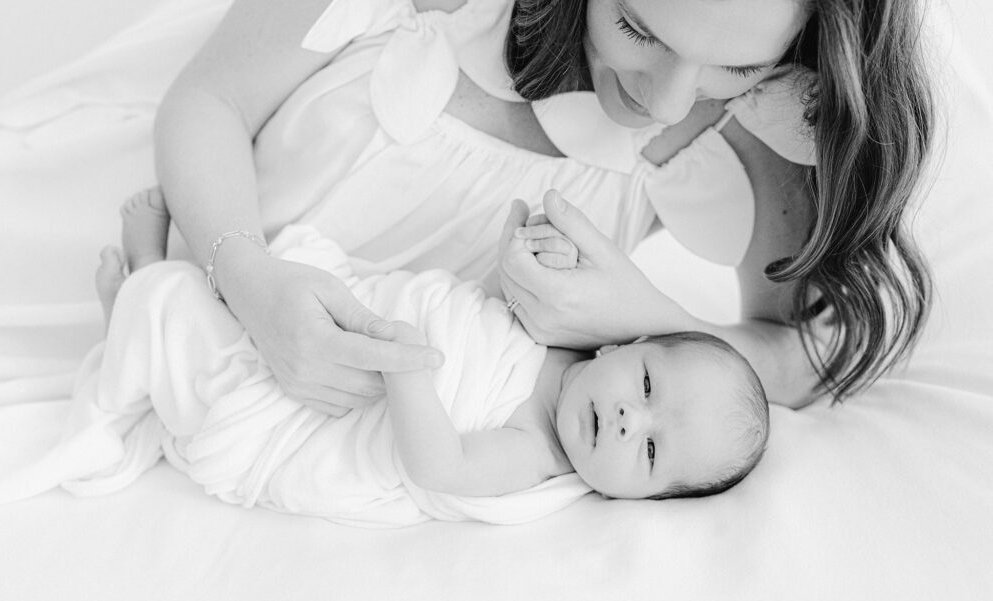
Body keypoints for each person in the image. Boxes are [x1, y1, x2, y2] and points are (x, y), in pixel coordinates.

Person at [153, 0, 934, 414]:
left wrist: (644, 317)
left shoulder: (761, 117)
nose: (667, 102)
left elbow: (808, 354)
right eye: (638, 27)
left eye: (733, 64)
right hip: (183, 217)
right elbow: (208, 101)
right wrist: (249, 280)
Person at [74, 188, 768, 525]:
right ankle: (151, 289)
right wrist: (529, 255)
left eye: (650, 452)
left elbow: (442, 465)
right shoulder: (566, 336)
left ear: (641, 498)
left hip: (323, 411)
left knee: (182, 338)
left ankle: (138, 278)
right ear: (625, 340)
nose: (627, 419)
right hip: (357, 315)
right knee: (245, 300)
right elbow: (488, 308)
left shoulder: (535, 453)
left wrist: (408, 374)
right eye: (646, 385)